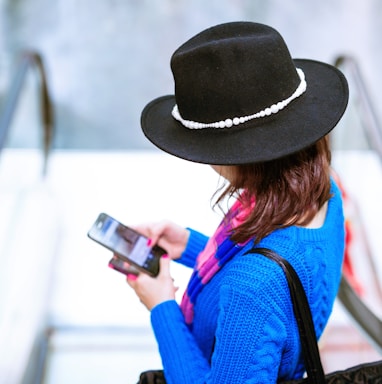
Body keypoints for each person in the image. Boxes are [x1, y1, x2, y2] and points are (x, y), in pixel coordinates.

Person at [124, 21, 349, 383]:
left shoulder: (252, 285)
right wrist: (189, 245)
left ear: (236, 156)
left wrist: (161, 305)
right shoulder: (324, 190)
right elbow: (285, 273)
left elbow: (259, 283)